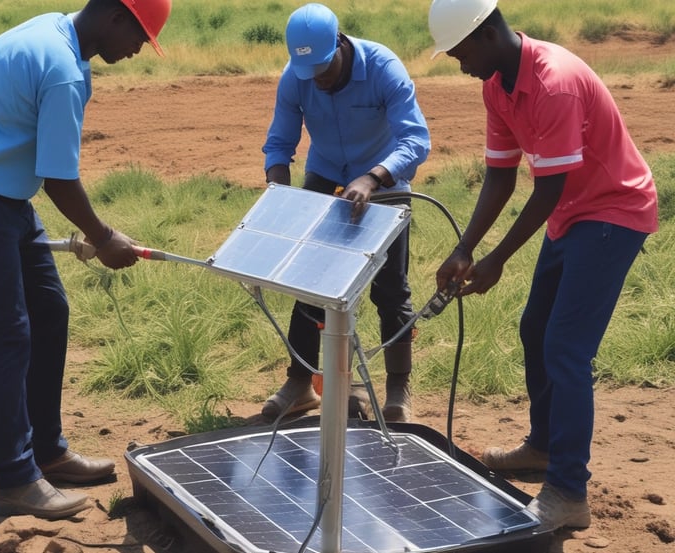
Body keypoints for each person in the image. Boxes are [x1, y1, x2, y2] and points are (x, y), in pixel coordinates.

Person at [0, 0, 171, 520]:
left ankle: (46, 451)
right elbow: (60, 178)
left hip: (3, 197)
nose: (137, 51)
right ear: (115, 17)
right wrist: (104, 237)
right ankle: (13, 480)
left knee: (48, 309)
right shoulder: (63, 69)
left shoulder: (54, 33)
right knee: (6, 336)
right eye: (140, 37)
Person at [428, 0, 658, 531]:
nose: (460, 66)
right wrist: (466, 248)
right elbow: (501, 176)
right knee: (536, 328)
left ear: (486, 34)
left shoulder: (553, 82)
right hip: (573, 214)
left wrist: (496, 260)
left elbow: (548, 186)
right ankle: (544, 446)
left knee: (566, 349)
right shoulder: (497, 86)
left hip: (613, 210)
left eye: (460, 53)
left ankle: (569, 493)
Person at [261, 3, 431, 423]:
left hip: (384, 180)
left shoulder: (383, 68)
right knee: (308, 284)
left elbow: (416, 139)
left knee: (390, 291)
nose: (318, 79)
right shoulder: (296, 77)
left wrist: (373, 178)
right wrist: (279, 187)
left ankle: (397, 391)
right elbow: (280, 142)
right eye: (309, 73)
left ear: (339, 42)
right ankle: (300, 383)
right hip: (324, 176)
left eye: (324, 68)